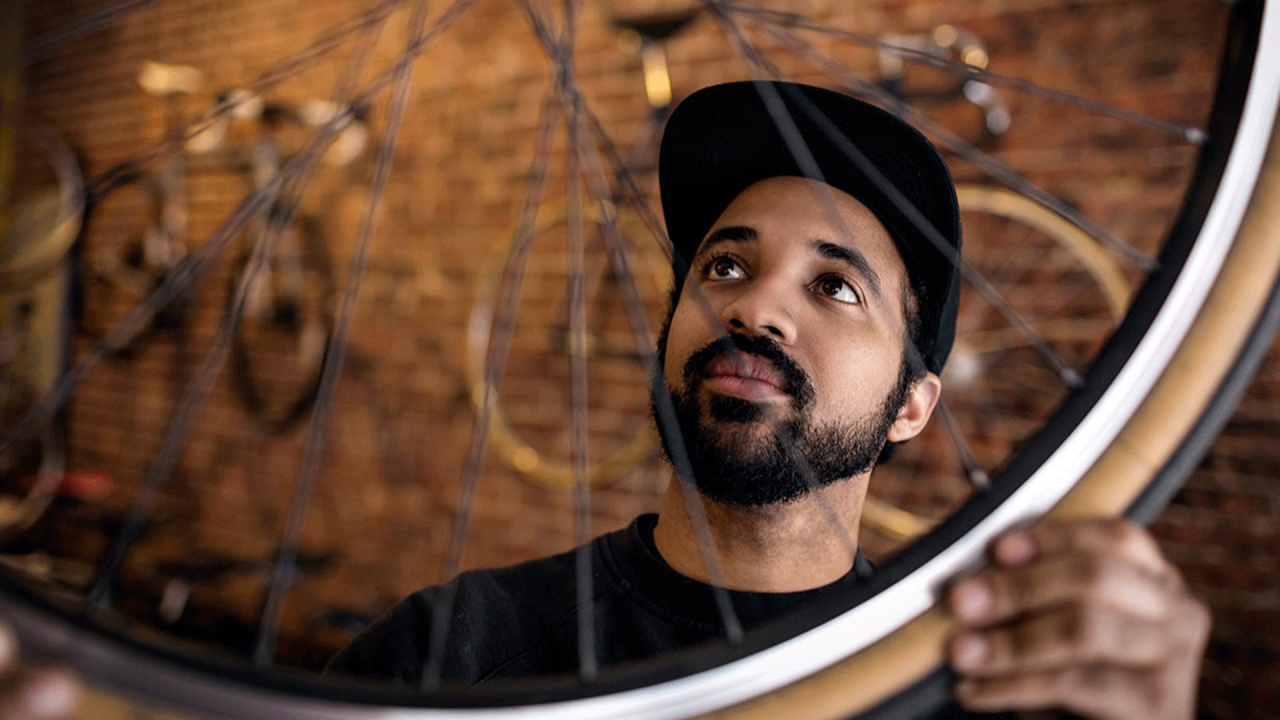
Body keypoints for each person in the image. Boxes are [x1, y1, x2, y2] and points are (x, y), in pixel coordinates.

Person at [328, 81, 1210, 719]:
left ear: (913, 405)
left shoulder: (983, 681)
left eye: (835, 287)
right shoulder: (451, 656)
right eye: (725, 266)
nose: (755, 308)